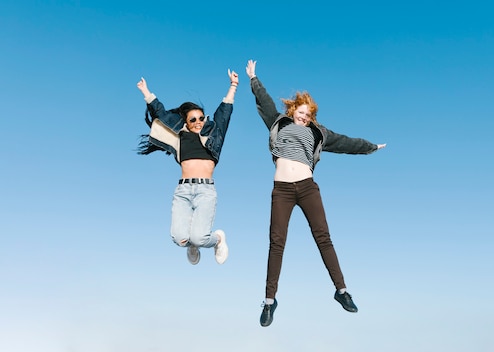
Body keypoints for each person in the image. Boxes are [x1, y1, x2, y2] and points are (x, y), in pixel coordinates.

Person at [245, 59, 387, 327]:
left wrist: (370, 147)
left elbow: (346, 142)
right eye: (301, 112)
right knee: (277, 242)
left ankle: (342, 291)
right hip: (282, 190)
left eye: (309, 114)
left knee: (324, 237)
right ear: (293, 110)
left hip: (308, 188)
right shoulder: (278, 123)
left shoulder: (318, 133)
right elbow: (264, 102)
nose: (305, 117)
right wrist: (254, 79)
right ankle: (269, 301)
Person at [136, 69, 239, 265]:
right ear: (187, 122)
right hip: (183, 190)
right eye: (193, 119)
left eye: (201, 118)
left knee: (200, 237)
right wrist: (146, 92)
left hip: (206, 190)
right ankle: (191, 245)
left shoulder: (213, 135)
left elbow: (224, 112)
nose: (198, 122)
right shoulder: (180, 136)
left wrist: (233, 86)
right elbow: (161, 113)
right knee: (179, 238)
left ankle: (218, 239)